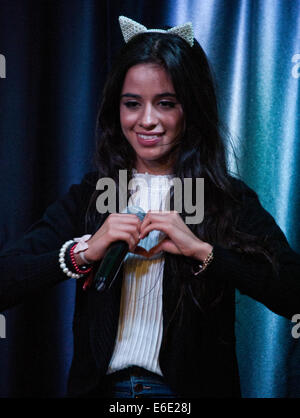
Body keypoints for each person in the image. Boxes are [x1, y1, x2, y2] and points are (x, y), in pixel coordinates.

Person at [0, 16, 300, 399]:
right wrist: (84, 252)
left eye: (166, 103)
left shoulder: (225, 198)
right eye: (132, 104)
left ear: (190, 109)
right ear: (116, 110)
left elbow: (292, 291)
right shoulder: (93, 193)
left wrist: (203, 252)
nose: (147, 120)